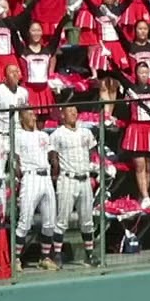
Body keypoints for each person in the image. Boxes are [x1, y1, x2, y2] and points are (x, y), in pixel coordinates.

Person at [49, 104, 97, 266]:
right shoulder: (57, 134)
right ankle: (56, 255)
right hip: (67, 178)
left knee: (87, 219)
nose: (73, 114)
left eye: (75, 111)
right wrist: (55, 174)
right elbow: (53, 156)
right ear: (62, 115)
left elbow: (92, 151)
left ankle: (89, 255)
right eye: (70, 111)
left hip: (84, 178)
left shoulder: (86, 132)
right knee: (62, 219)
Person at [13, 108, 60, 271]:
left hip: (45, 176)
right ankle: (16, 259)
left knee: (50, 222)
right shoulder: (18, 135)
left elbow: (51, 152)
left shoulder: (43, 135)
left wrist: (55, 163)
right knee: (25, 221)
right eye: (29, 114)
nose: (33, 116)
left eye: (34, 114)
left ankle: (45, 257)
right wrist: (18, 174)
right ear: (21, 118)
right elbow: (16, 158)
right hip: (30, 176)